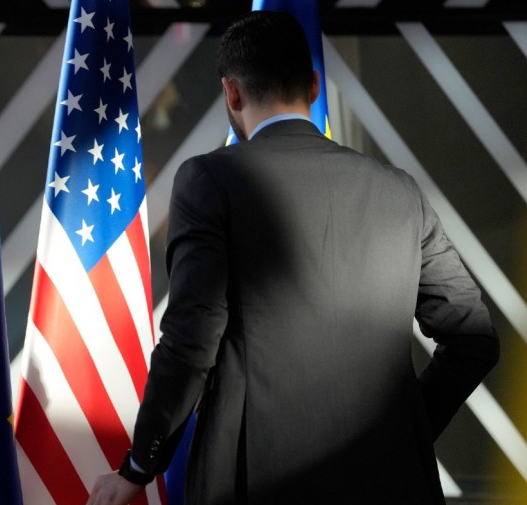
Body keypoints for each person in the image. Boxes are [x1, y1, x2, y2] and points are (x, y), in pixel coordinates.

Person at [87, 10, 499, 505]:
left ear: (232, 93)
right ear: (313, 84)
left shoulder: (208, 181)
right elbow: (474, 341)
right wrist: (399, 436)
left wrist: (138, 466)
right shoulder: (400, 191)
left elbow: (191, 341)